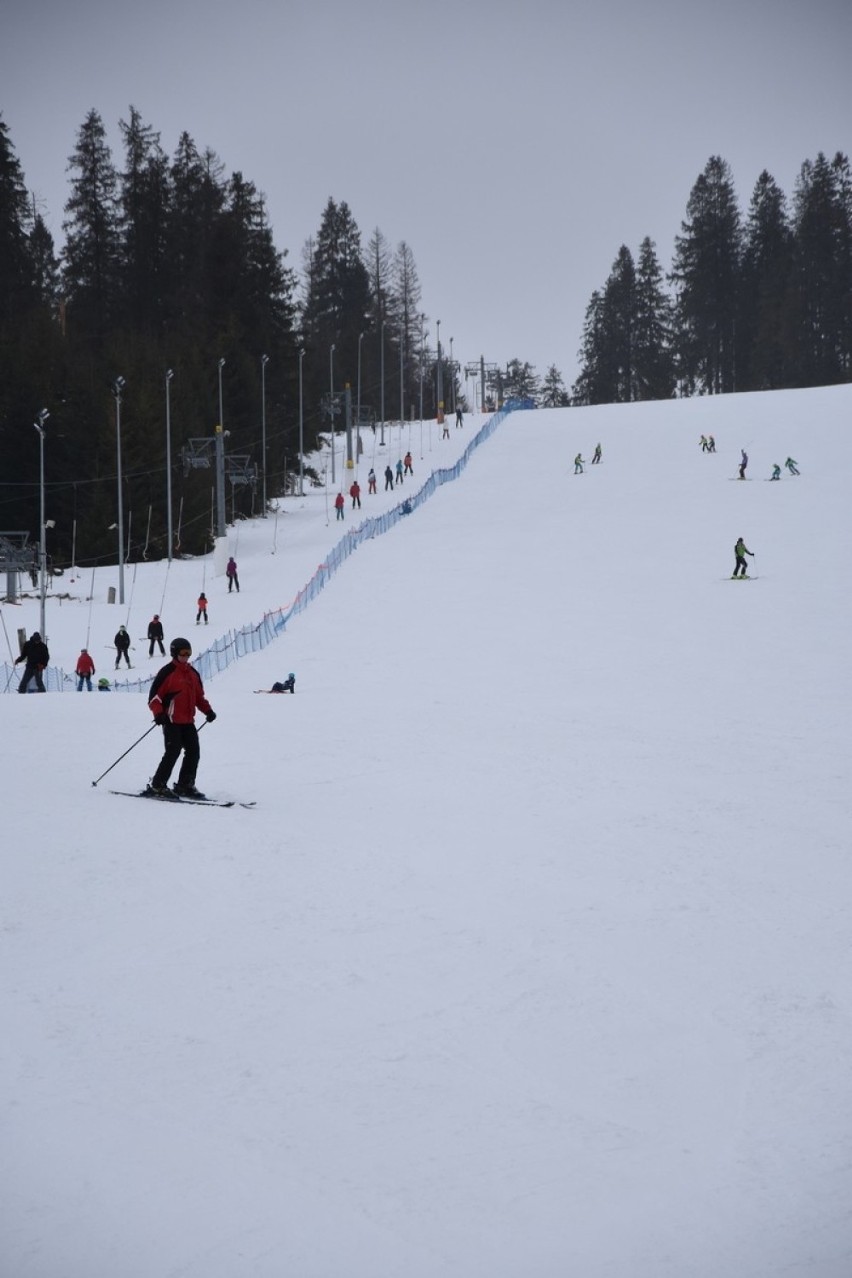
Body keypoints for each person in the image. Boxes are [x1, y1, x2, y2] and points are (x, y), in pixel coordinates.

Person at [146, 637, 216, 799]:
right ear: (174, 653)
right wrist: (158, 714)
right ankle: (158, 785)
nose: (186, 656)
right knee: (173, 751)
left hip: (187, 721)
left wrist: (208, 711)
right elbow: (154, 697)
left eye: (188, 653)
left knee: (194, 751)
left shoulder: (193, 674)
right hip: (170, 721)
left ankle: (185, 785)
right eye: (183, 653)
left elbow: (199, 697)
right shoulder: (167, 672)